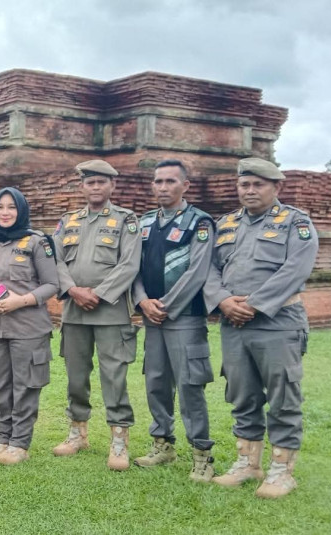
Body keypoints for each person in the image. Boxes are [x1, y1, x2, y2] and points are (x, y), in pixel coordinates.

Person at [203, 157, 318, 498]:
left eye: (258, 184)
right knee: (242, 393)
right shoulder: (226, 224)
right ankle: (247, 463)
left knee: (283, 395)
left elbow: (296, 269)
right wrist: (223, 301)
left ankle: (282, 470)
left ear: (276, 187)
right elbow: (208, 270)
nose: (250, 190)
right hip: (234, 324)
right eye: (244, 184)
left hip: (278, 322)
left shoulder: (294, 223)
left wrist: (252, 305)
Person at [52, 159, 142, 471]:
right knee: (76, 376)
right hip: (74, 311)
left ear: (111, 185)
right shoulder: (68, 221)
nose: (95, 187)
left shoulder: (126, 220)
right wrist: (74, 290)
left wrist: (99, 293)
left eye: (101, 182)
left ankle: (119, 439)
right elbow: (57, 261)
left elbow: (129, 264)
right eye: (90, 182)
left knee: (113, 377)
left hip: (111, 312)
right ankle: (78, 432)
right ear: (82, 186)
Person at [131, 159, 216, 481]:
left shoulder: (200, 222)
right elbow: (133, 268)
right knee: (155, 382)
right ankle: (162, 443)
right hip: (152, 318)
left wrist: (164, 305)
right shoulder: (146, 222)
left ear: (185, 186)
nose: (163, 187)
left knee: (190, 385)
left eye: (170, 181)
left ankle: (202, 454)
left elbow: (197, 271)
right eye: (158, 181)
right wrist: (142, 301)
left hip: (185, 318)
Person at [0, 187, 58, 465]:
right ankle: (1, 440)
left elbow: (51, 285)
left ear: (21, 211)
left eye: (11, 207)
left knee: (25, 385)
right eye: (0, 207)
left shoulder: (36, 242)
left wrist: (21, 301)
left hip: (29, 328)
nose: (5, 213)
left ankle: (19, 445)